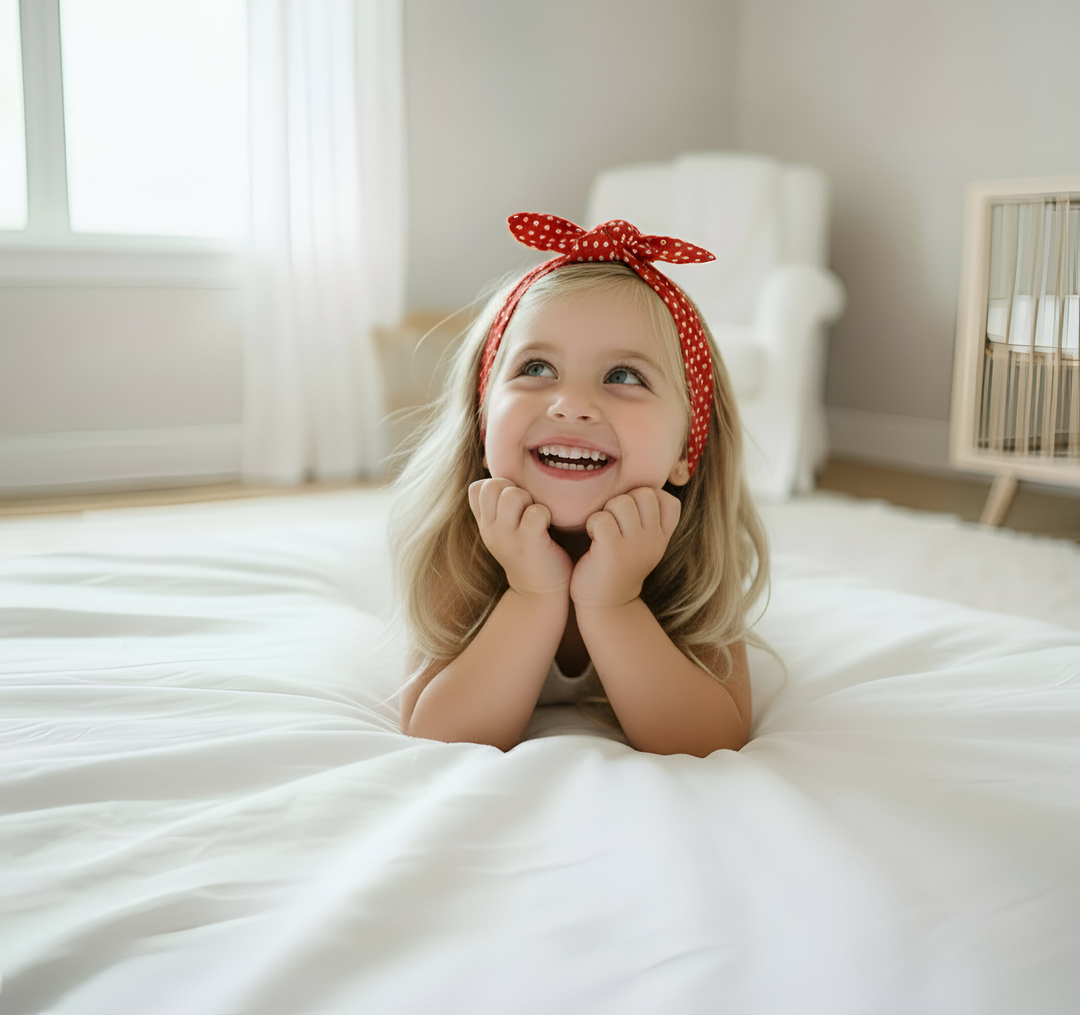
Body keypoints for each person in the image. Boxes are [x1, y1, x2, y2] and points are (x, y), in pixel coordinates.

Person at [389, 213, 769, 757]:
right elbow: (436, 737)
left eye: (623, 377)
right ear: (483, 418)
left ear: (688, 447)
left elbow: (712, 741)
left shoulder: (697, 563)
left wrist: (614, 602)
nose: (570, 404)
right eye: (538, 367)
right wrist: (531, 592)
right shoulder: (460, 544)